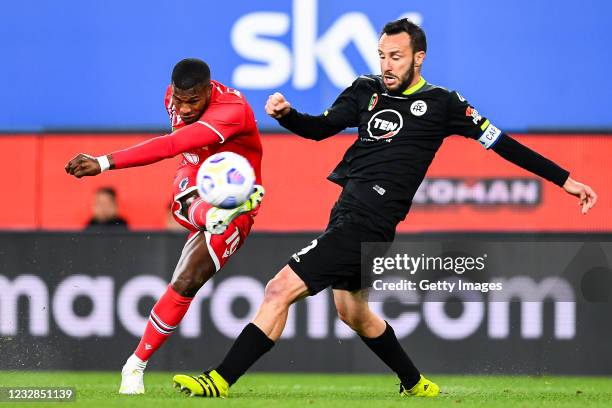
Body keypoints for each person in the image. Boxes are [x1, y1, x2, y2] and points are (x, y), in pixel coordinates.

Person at [172, 19, 597, 399]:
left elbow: (504, 144)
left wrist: (565, 179)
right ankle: (416, 384)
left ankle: (219, 379)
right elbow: (321, 129)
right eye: (382, 55)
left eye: (396, 56)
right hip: (346, 211)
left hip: (371, 221)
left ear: (419, 57)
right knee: (352, 311)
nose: (387, 64)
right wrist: (287, 115)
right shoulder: (364, 90)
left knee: (278, 289)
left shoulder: (443, 103)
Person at [65, 58, 264, 394]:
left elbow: (171, 145)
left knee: (187, 281)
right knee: (184, 199)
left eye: (193, 101)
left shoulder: (232, 109)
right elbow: (181, 150)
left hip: (235, 193)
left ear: (208, 91)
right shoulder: (171, 97)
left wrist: (103, 162)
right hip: (193, 177)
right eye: (180, 101)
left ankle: (134, 362)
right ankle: (136, 368)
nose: (184, 109)